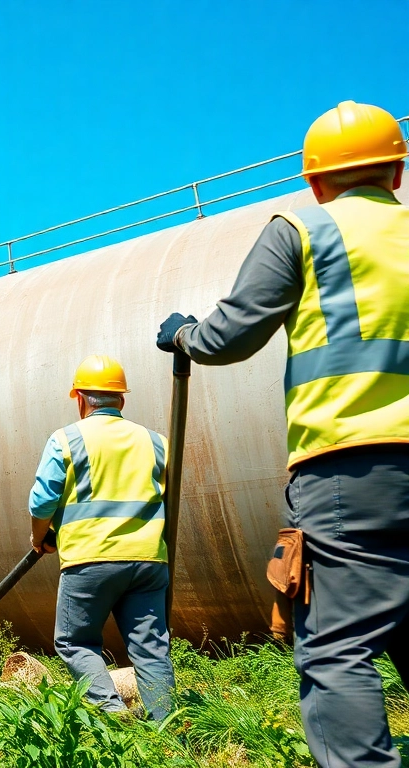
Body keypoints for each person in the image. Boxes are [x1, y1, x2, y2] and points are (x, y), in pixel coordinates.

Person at [157, 101, 408, 767]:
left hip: (350, 466)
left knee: (338, 647)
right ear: (397, 173)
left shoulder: (302, 229)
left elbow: (231, 335)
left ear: (316, 182)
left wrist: (183, 335)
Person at [27, 354, 174, 720]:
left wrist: (40, 537)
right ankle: (166, 729)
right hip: (148, 561)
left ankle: (114, 717)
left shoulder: (66, 440)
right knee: (151, 650)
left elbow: (42, 503)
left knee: (74, 641)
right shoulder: (157, 442)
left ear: (80, 398)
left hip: (91, 559)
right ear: (121, 398)